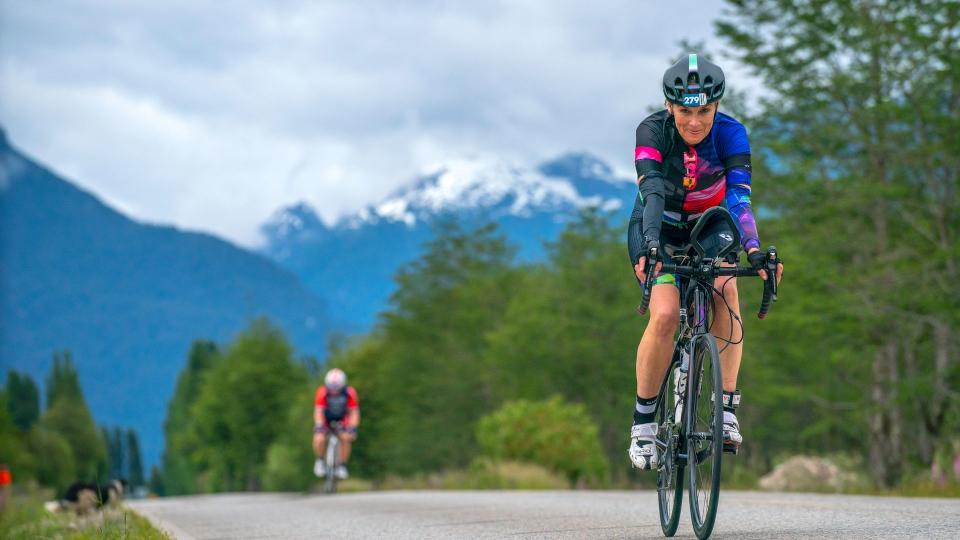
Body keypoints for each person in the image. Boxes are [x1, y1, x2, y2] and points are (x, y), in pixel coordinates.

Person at [627, 54, 783, 470]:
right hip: (658, 223)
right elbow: (653, 191)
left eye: (704, 112)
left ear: (716, 107)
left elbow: (739, 196)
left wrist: (753, 249)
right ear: (669, 107)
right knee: (663, 316)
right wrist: (651, 245)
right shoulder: (651, 131)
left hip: (710, 225)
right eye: (685, 112)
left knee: (727, 288)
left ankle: (726, 410)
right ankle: (643, 426)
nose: (694, 122)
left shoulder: (732, 134)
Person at [313, 368, 360, 479]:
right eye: (331, 387)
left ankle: (342, 465)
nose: (334, 391)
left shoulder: (350, 393)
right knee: (319, 438)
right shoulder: (322, 392)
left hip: (343, 419)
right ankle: (319, 461)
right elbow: (318, 411)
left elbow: (354, 412)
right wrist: (319, 425)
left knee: (345, 438)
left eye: (337, 388)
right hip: (326, 419)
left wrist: (352, 427)